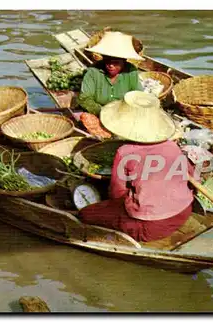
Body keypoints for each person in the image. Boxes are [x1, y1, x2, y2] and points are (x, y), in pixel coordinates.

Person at [79, 91, 194, 242]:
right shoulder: (172, 145)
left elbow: (117, 194)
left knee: (86, 214)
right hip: (184, 212)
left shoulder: (125, 152)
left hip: (151, 226)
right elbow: (190, 174)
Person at [77, 32, 144, 116]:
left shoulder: (131, 71)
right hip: (99, 113)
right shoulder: (93, 72)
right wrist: (103, 112)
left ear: (124, 60)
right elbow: (84, 98)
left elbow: (138, 96)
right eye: (107, 61)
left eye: (116, 62)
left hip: (124, 113)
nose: (111, 66)